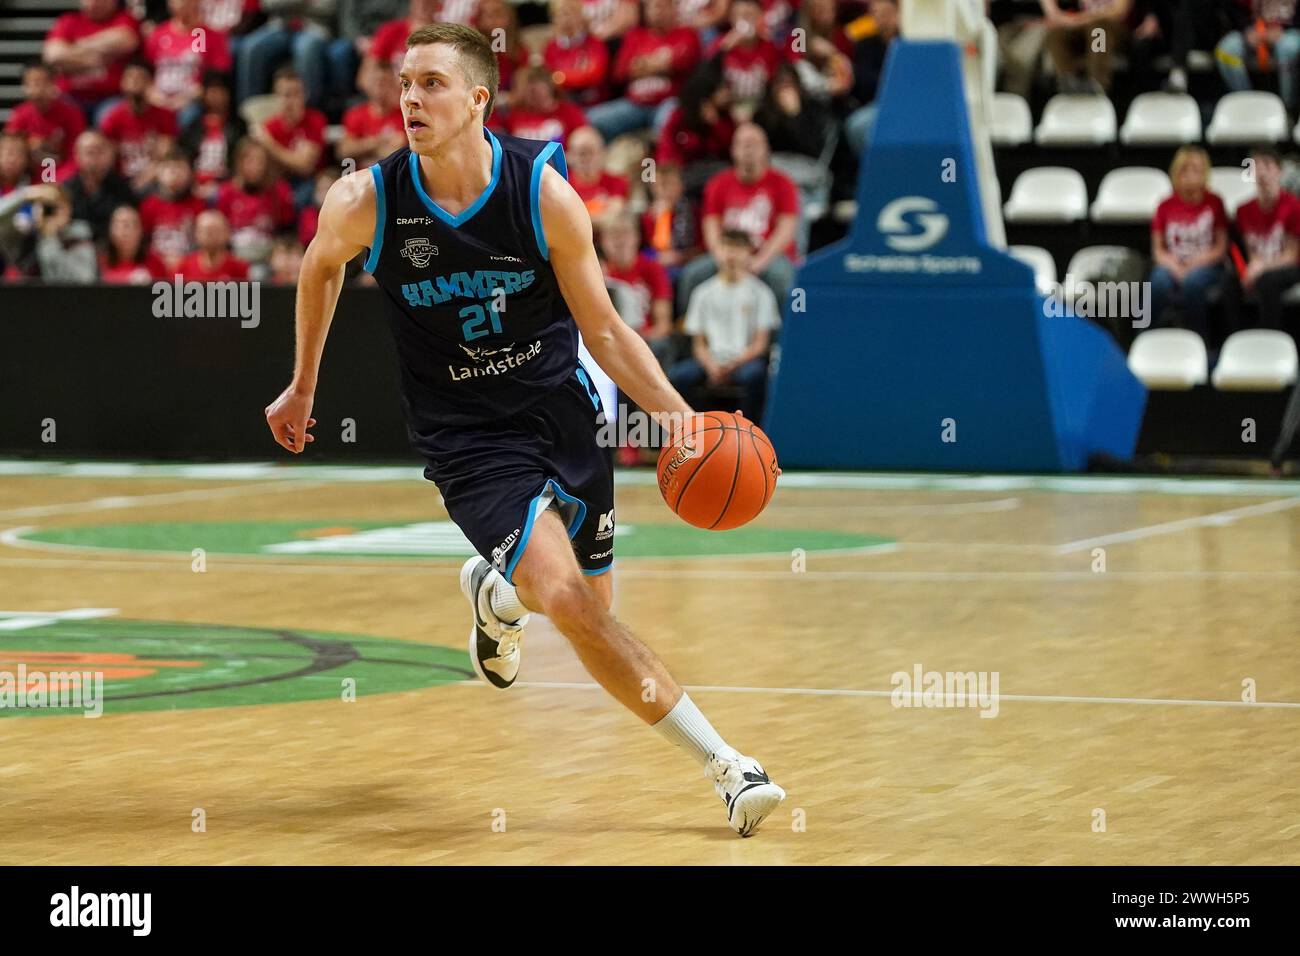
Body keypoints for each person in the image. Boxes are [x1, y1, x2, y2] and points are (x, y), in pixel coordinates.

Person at [263, 23, 787, 836]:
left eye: (432, 82)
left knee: (588, 606)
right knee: (574, 601)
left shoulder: (541, 193)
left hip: (561, 408)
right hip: (467, 437)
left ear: (479, 99)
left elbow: (607, 331)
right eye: (404, 82)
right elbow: (319, 268)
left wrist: (683, 426)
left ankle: (495, 593)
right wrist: (302, 385)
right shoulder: (368, 200)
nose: (409, 97)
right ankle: (727, 765)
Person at [669, 227, 779, 422]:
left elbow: (760, 344)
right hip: (711, 359)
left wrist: (734, 364)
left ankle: (752, 434)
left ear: (748, 252)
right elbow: (699, 343)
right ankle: (687, 434)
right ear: (717, 251)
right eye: (727, 248)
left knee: (755, 376)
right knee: (679, 376)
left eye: (738, 248)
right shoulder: (702, 293)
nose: (731, 255)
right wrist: (711, 365)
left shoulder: (761, 293)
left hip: (744, 360)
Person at [1150, 145, 1229, 340]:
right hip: (1173, 263)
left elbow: (1221, 247)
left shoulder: (1215, 203)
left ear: (1204, 173)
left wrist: (1194, 264)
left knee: (1194, 283)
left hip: (1207, 263)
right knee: (1157, 281)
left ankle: (1199, 339)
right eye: (1184, 169)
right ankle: (1145, 337)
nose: (1190, 174)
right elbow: (1158, 250)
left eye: (1195, 169)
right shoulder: (1165, 205)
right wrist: (1175, 266)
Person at [1228, 145, 1300, 332]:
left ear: (1279, 170)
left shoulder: (1293, 206)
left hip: (1288, 266)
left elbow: (1291, 256)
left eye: (1267, 165)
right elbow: (1251, 252)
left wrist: (1260, 268)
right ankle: (1235, 336)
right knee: (1229, 280)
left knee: (1268, 280)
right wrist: (1250, 269)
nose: (1261, 172)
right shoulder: (1243, 210)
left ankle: (1270, 336)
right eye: (1256, 166)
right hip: (1260, 264)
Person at [1216, 1, 1300, 112]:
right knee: (1227, 49)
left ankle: (1288, 109)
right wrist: (1246, 29)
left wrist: (1283, 30)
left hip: (1287, 33)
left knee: (1288, 46)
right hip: (1252, 33)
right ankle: (1246, 106)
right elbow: (1232, 9)